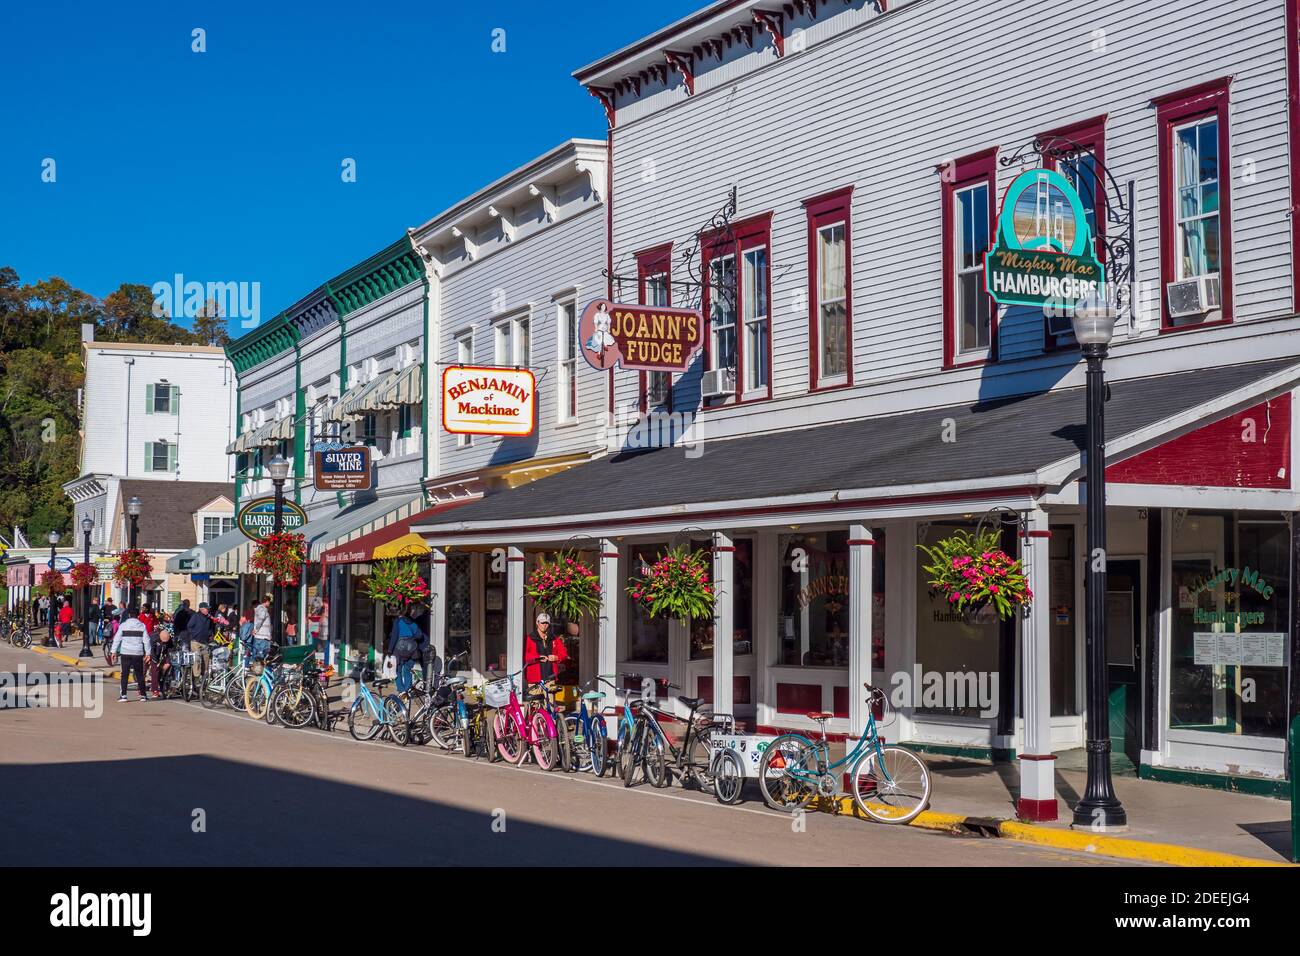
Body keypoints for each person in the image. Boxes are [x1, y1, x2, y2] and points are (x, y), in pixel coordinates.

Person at [111, 604, 151, 702]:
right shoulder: (142, 626)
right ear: (137, 615)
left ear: (129, 614)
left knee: (124, 674)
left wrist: (113, 651)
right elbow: (146, 640)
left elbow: (117, 639)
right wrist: (148, 653)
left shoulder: (123, 625)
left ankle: (123, 695)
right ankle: (143, 695)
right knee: (140, 674)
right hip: (138, 652)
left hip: (125, 652)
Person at [386, 604, 428, 695]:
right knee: (408, 668)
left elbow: (394, 636)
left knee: (397, 669)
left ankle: (401, 690)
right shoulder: (412, 622)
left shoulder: (398, 621)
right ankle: (408, 688)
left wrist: (389, 650)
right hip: (412, 648)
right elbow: (419, 635)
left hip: (399, 647)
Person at [524, 611, 568, 686]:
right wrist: (538, 658)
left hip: (550, 678)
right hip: (534, 679)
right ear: (537, 623)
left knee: (550, 698)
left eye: (546, 623)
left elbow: (564, 654)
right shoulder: (529, 638)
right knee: (536, 698)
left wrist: (556, 657)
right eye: (542, 622)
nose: (544, 625)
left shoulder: (554, 638)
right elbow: (524, 656)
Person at [185, 602, 214, 680]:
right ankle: (197, 677)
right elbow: (189, 626)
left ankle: (205, 675)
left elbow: (211, 628)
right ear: (201, 609)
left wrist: (210, 634)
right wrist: (195, 634)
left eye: (208, 609)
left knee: (206, 658)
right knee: (197, 659)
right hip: (196, 642)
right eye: (206, 609)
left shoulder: (208, 618)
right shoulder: (195, 616)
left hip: (205, 642)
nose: (208, 610)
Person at [148, 624, 175, 699]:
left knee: (164, 671)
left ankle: (164, 687)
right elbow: (151, 651)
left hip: (163, 654)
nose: (164, 643)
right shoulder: (153, 637)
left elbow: (171, 651)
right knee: (155, 671)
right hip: (153, 654)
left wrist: (168, 662)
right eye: (163, 641)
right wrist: (155, 661)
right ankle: (155, 690)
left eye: (165, 642)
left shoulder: (169, 641)